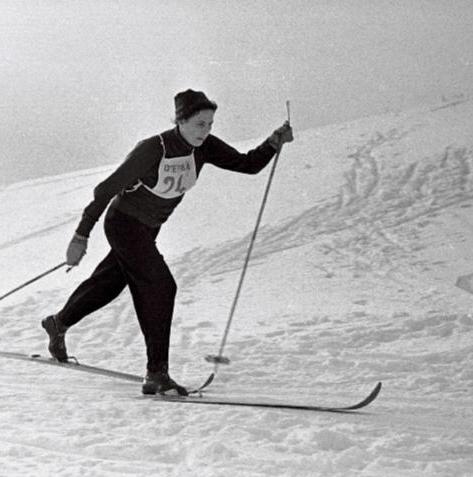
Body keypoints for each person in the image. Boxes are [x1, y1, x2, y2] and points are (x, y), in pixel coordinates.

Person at [41, 89, 293, 395]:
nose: (207, 131)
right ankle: (156, 373)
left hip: (148, 229)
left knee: (109, 283)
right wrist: (81, 236)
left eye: (211, 124)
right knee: (162, 286)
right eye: (200, 124)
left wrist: (272, 143)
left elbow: (247, 164)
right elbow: (105, 189)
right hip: (123, 224)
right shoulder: (153, 149)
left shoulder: (204, 147)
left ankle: (58, 323)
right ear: (181, 121)